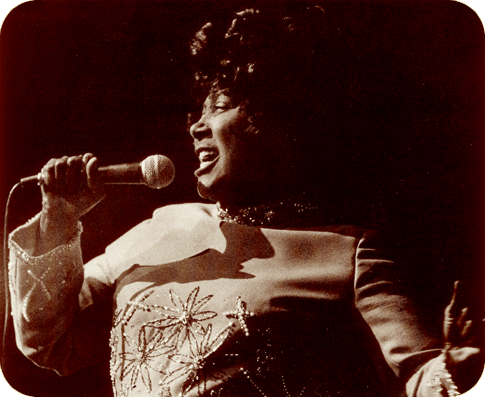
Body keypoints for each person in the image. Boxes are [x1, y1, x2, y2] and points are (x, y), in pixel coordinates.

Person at [7, 5, 482, 397]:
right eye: (198, 110)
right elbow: (49, 342)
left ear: (277, 120)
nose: (196, 127)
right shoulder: (154, 232)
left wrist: (458, 369)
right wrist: (59, 217)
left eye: (220, 105)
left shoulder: (347, 254)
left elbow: (419, 374)